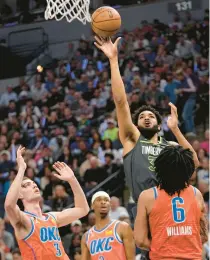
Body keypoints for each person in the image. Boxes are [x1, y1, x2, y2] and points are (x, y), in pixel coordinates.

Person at [94, 36, 199, 210]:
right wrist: (113, 60)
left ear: (159, 125)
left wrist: (175, 129)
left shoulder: (170, 145)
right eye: (142, 117)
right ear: (136, 125)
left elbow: (194, 162)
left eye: (151, 116)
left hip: (169, 205)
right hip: (143, 207)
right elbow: (121, 102)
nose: (147, 117)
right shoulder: (132, 139)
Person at [4, 146, 89, 259]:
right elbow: (9, 205)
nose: (34, 185)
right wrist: (21, 169)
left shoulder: (52, 217)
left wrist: (72, 180)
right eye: (26, 185)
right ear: (19, 194)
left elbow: (83, 209)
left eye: (34, 183)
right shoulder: (24, 220)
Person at [134, 146, 208, 259]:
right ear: (188, 170)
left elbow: (140, 240)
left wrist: (162, 248)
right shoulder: (196, 194)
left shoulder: (147, 196)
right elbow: (204, 236)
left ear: (159, 168)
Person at [81, 191, 135, 260]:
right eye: (99, 200)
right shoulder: (86, 237)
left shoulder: (122, 227)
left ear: (110, 205)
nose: (103, 202)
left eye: (106, 200)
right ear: (92, 205)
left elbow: (131, 258)